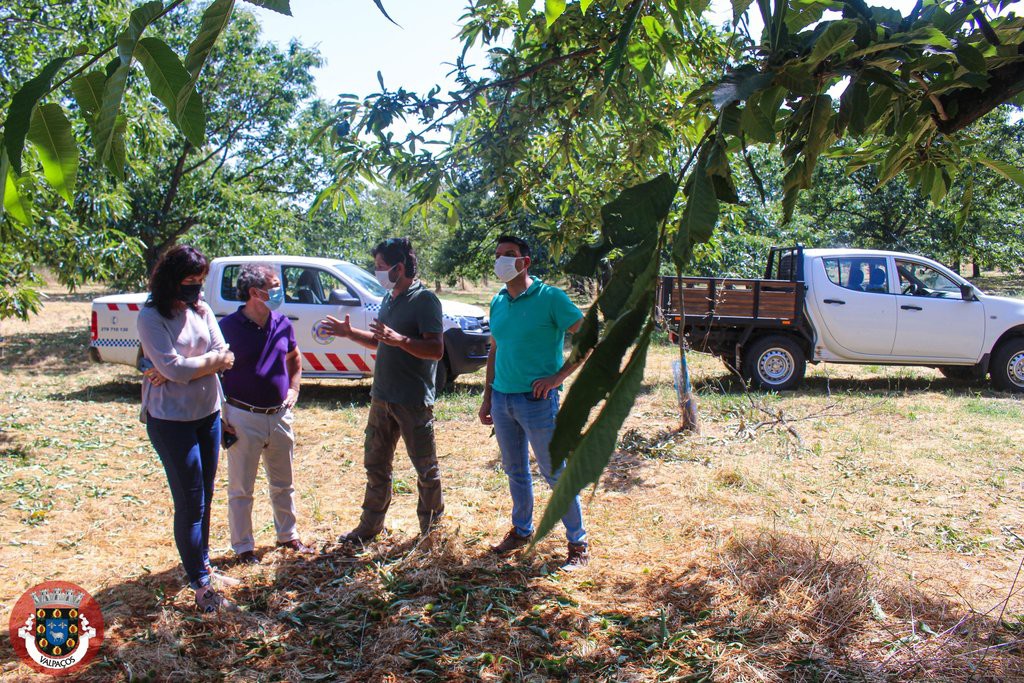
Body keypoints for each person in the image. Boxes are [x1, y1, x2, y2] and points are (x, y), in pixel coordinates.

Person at [320, 238, 446, 543]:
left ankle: (432, 533)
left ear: (399, 267)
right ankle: (370, 526)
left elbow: (436, 350)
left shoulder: (425, 300)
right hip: (382, 397)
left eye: (380, 266)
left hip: (412, 401)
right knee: (375, 464)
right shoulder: (390, 298)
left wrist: (400, 339)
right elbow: (381, 340)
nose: (377, 271)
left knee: (425, 469)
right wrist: (350, 333)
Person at [478, 235, 590, 569]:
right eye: (497, 255)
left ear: (525, 262)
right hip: (502, 399)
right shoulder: (498, 301)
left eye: (509, 255)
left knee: (554, 473)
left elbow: (588, 337)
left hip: (537, 402)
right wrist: (488, 397)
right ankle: (522, 531)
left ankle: (578, 544)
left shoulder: (550, 298)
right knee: (515, 471)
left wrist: (557, 378)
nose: (501, 261)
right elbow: (495, 349)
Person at [137, 245, 236, 613]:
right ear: (169, 280)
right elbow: (178, 368)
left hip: (207, 415)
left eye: (200, 282)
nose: (196, 289)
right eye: (190, 282)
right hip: (170, 421)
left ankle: (203, 566)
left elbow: (224, 354)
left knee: (205, 497)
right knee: (190, 501)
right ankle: (200, 584)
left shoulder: (202, 309)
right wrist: (185, 366)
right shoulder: (152, 317)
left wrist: (180, 366)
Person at [218, 263, 314, 565]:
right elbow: (214, 374)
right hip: (242, 416)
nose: (279, 291)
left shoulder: (282, 323)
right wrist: (221, 415)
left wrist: (294, 389)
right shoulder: (227, 328)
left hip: (279, 417)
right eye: (273, 286)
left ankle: (288, 536)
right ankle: (243, 548)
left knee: (284, 483)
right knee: (241, 488)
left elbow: (294, 358)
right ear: (254, 292)